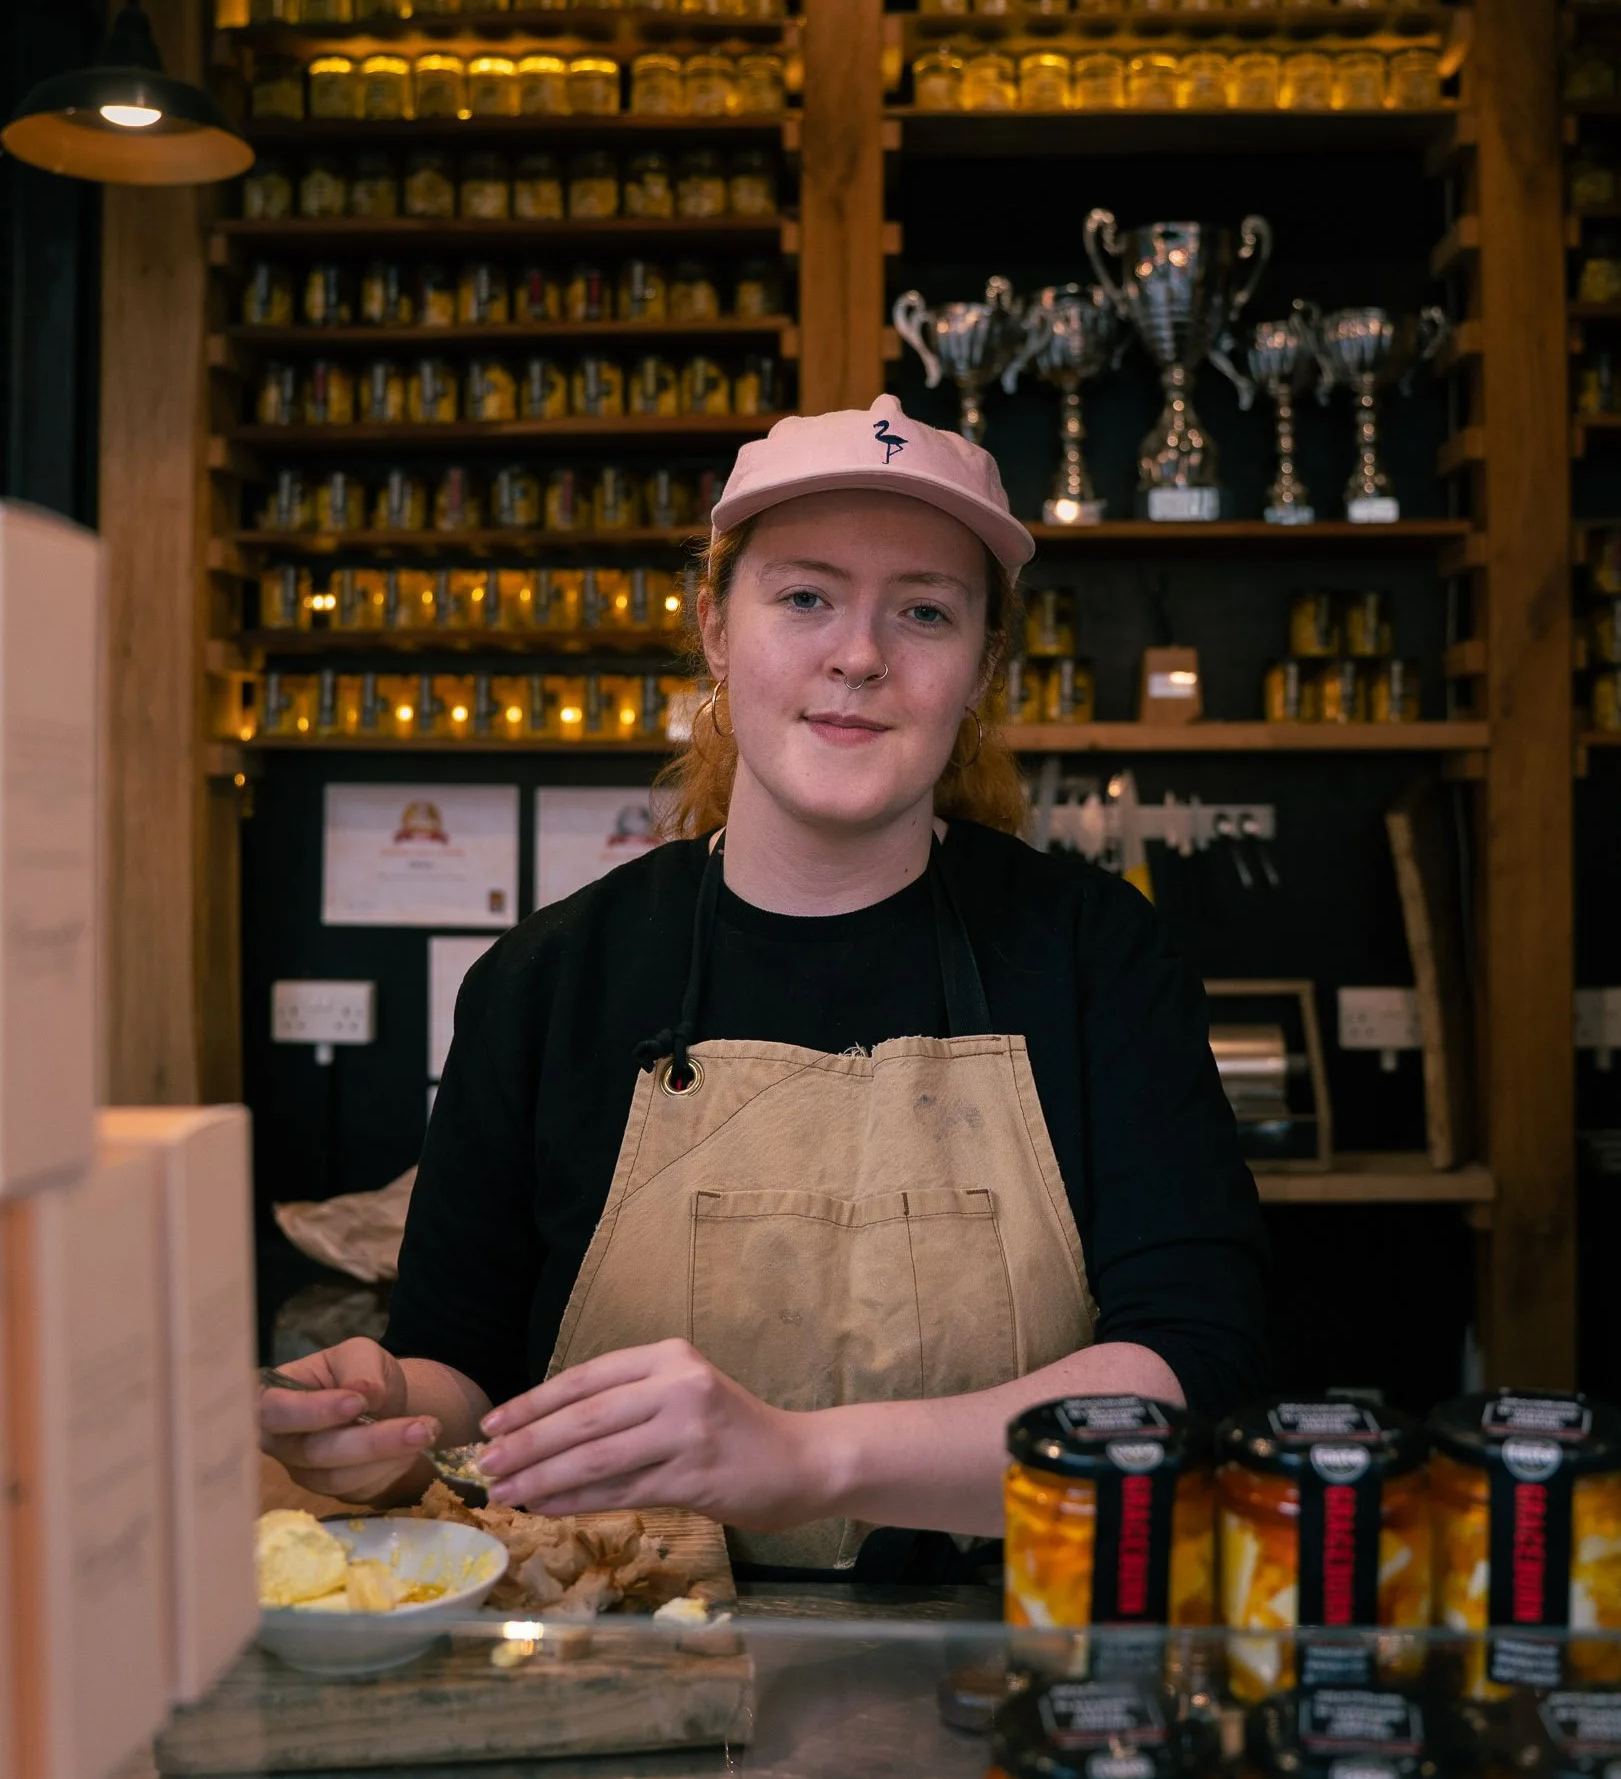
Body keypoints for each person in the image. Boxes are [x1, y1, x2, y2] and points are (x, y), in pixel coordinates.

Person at [262, 396, 1267, 1573]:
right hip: (620, 1670)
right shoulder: (542, 981)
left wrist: (803, 1458)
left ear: (981, 665)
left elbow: (1190, 1372)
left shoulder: (1095, 956)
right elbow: (461, 1372)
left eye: (924, 612)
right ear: (713, 632)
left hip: (1016, 1663)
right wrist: (382, 1415)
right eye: (803, 597)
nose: (857, 654)